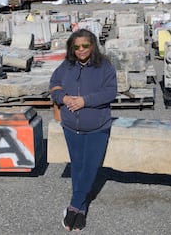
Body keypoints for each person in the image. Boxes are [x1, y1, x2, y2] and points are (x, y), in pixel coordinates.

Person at [49, 29, 117, 231]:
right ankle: (82, 208)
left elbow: (110, 92)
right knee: (78, 167)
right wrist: (64, 98)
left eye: (85, 46)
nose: (81, 50)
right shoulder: (67, 66)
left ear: (93, 46)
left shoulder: (105, 67)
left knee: (89, 168)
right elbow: (54, 84)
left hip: (97, 127)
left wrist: (84, 101)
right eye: (76, 46)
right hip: (71, 127)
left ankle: (73, 206)